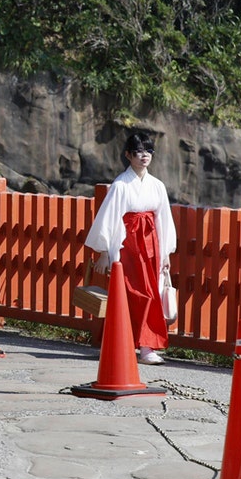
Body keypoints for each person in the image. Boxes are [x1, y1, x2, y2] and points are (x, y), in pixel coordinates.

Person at [84, 132, 177, 365]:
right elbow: (108, 217)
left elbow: (163, 219)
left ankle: (147, 346)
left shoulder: (157, 186)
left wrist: (165, 252)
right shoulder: (120, 185)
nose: (144, 156)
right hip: (127, 245)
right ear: (128, 155)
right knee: (130, 294)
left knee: (151, 293)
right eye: (138, 152)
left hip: (152, 246)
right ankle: (124, 343)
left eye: (148, 151)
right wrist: (104, 251)